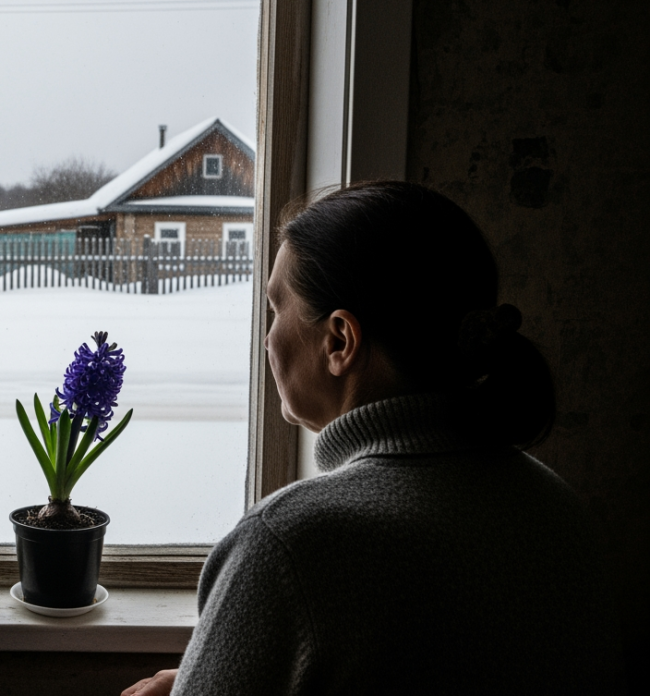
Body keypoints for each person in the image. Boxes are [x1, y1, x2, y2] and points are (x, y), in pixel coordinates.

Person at [122, 182, 623, 695]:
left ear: (340, 340)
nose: (268, 338)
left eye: (277, 309)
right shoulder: (558, 513)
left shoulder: (289, 546)